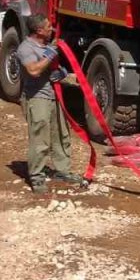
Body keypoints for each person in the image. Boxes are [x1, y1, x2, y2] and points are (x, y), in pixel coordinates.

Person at [15, 15, 85, 193]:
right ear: (38, 30)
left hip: (54, 96)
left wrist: (61, 72)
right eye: (48, 27)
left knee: (61, 135)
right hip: (37, 97)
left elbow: (53, 68)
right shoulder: (26, 48)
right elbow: (34, 70)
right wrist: (51, 53)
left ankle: (62, 170)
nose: (51, 30)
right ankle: (37, 177)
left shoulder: (45, 46)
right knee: (40, 138)